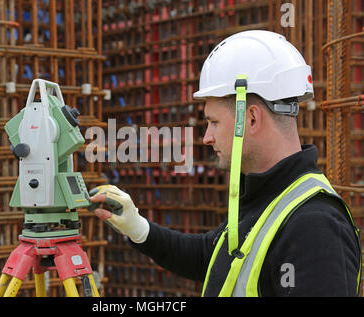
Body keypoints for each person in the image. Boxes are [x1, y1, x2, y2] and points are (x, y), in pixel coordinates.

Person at [88, 30, 362, 297]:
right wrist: (138, 228)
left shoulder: (314, 227)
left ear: (250, 119)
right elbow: (213, 257)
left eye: (213, 122)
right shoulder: (270, 197)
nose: (206, 137)